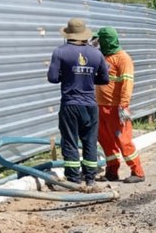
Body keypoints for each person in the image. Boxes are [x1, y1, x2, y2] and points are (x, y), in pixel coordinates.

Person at [47, 18, 109, 186]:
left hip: (70, 104)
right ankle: (90, 179)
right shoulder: (96, 53)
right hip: (90, 104)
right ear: (85, 35)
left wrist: (68, 76)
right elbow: (104, 79)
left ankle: (74, 179)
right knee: (90, 141)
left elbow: (52, 78)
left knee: (70, 141)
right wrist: (87, 77)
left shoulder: (60, 52)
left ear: (68, 34)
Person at [94, 26, 145, 183]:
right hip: (100, 107)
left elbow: (127, 84)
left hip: (116, 108)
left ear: (107, 41)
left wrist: (123, 106)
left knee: (123, 140)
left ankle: (138, 172)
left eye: (100, 41)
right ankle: (112, 171)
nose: (98, 44)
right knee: (106, 140)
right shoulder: (103, 57)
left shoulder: (123, 59)